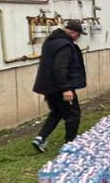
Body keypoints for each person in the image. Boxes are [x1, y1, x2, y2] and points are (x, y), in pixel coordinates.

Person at [31, 19, 86, 152]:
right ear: (74, 33)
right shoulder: (65, 45)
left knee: (57, 112)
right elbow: (59, 68)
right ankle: (70, 142)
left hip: (48, 86)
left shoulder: (51, 41)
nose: (78, 38)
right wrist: (66, 89)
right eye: (78, 35)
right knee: (73, 114)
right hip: (60, 86)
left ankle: (40, 138)